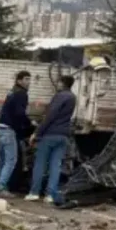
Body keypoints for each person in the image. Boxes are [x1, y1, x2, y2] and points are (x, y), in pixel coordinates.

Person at [25, 75, 77, 205]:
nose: (57, 84)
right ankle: (50, 195)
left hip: (50, 134)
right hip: (63, 135)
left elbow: (50, 116)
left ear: (63, 83)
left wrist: (37, 133)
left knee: (40, 164)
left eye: (59, 82)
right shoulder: (72, 97)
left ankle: (34, 193)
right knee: (55, 165)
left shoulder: (60, 96)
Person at [0, 70, 32, 196]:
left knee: (2, 159)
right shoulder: (21, 93)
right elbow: (19, 113)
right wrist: (29, 124)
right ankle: (1, 187)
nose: (28, 82)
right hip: (9, 130)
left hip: (0, 128)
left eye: (29, 79)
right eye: (26, 79)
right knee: (11, 160)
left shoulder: (12, 91)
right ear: (19, 80)